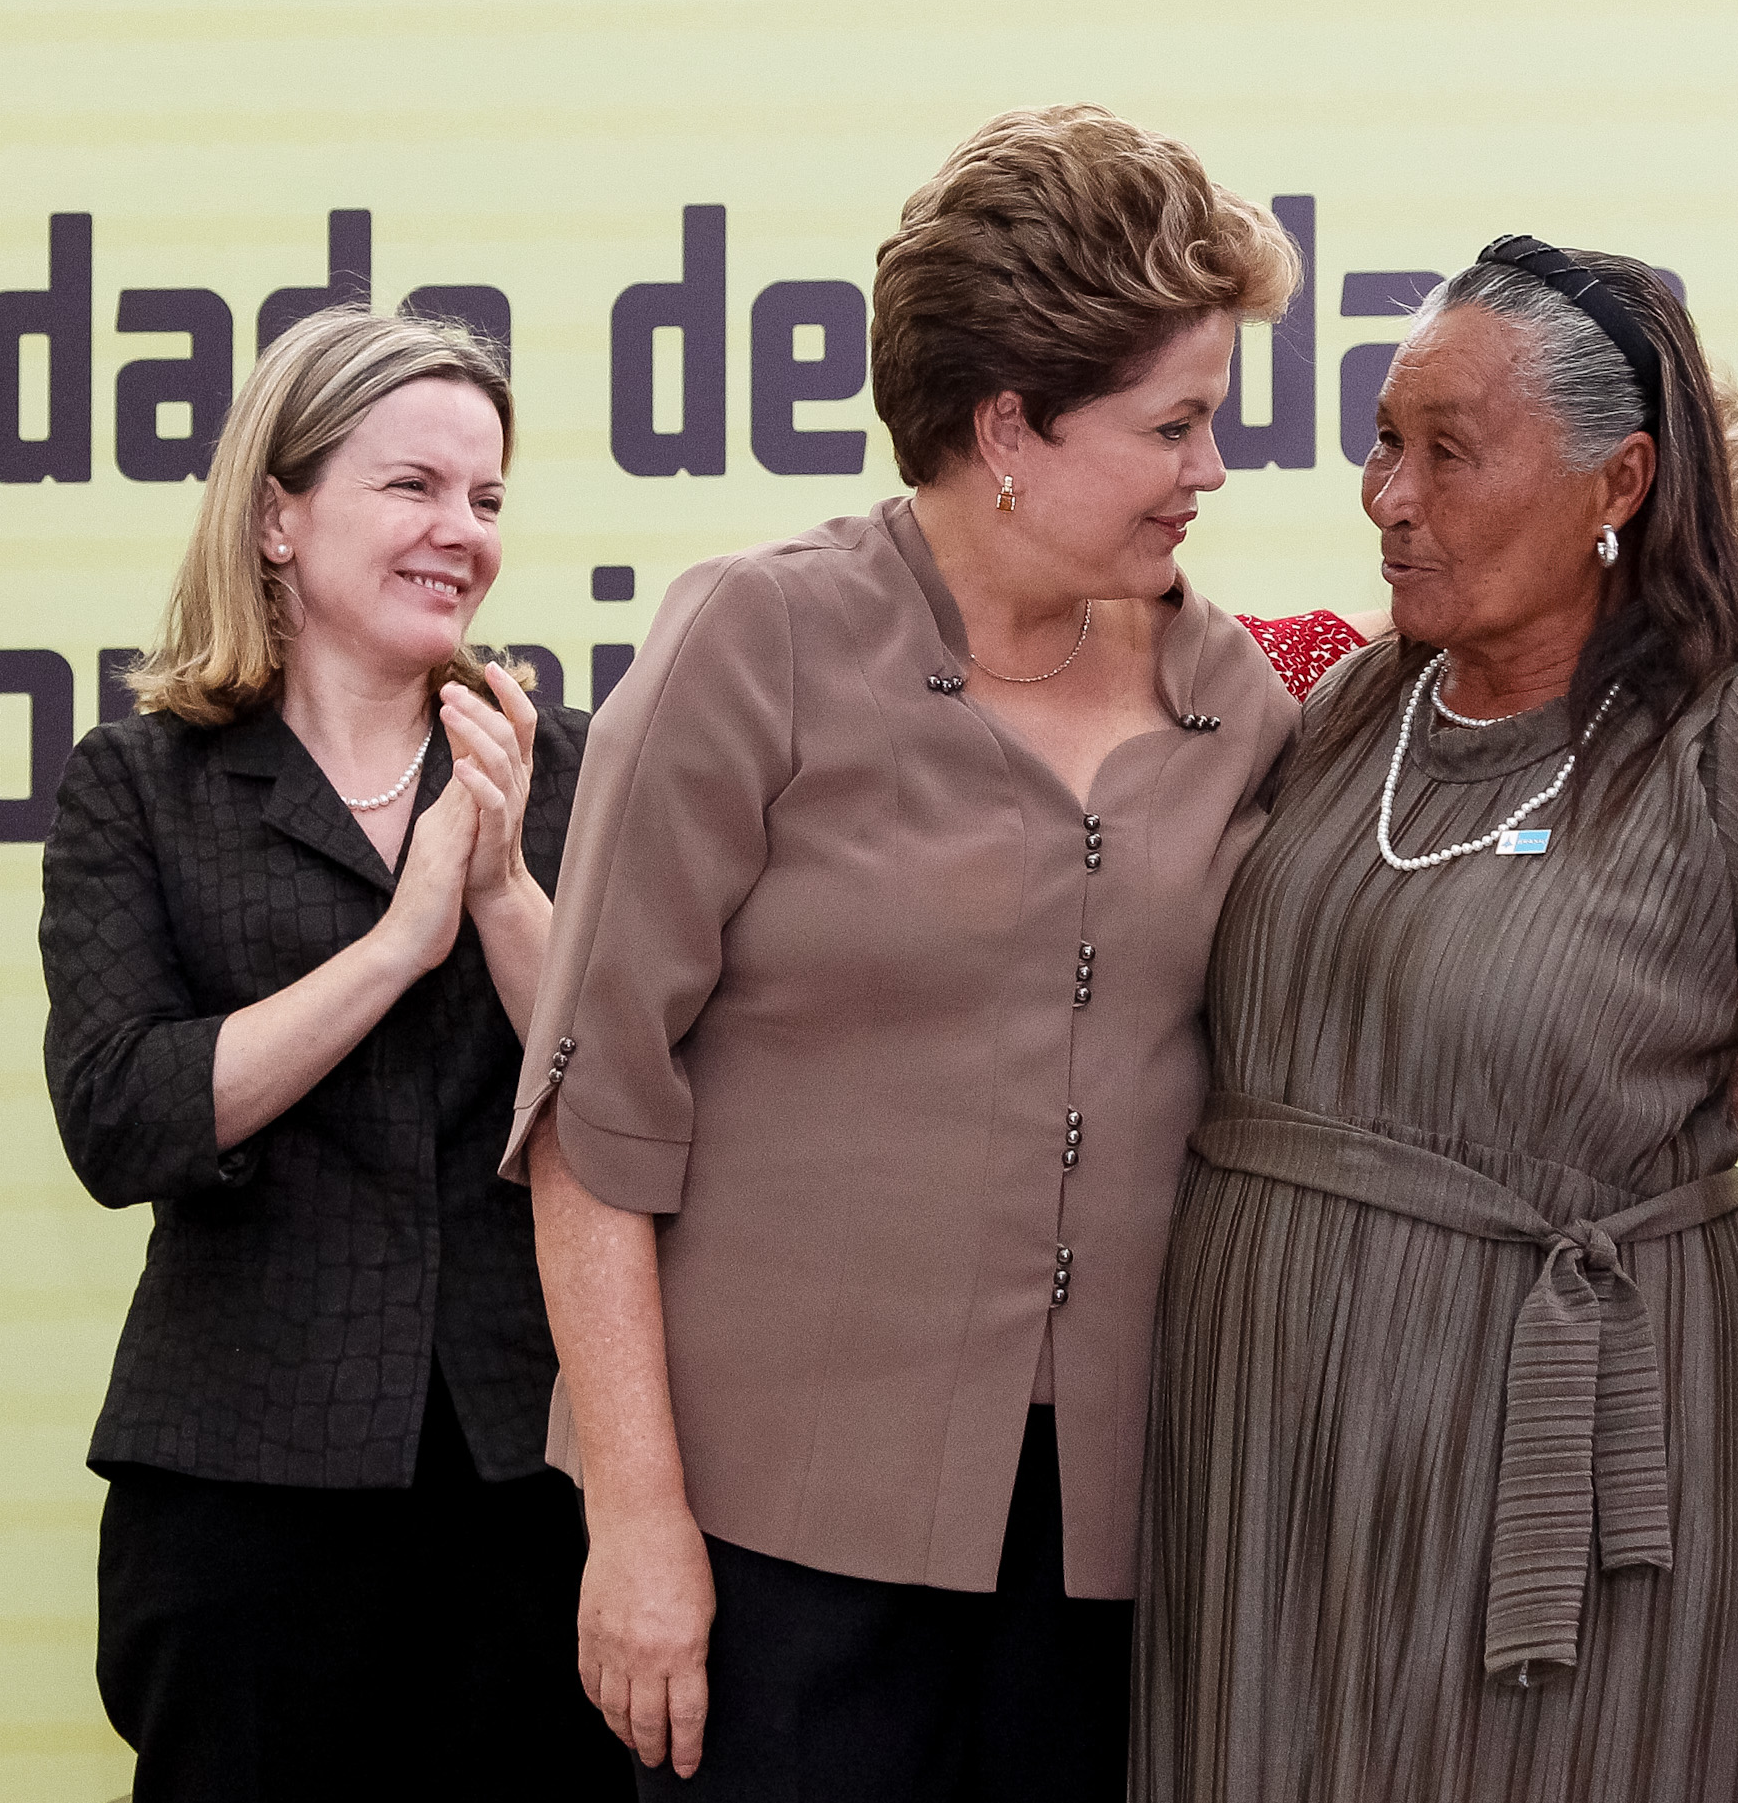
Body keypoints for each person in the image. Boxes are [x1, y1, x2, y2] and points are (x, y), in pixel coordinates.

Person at [509, 106, 1302, 1800]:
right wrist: (635, 1522)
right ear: (1009, 425)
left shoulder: (1235, 700)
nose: (1210, 471)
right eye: (1171, 425)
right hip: (773, 1545)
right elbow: (594, 1120)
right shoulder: (760, 644)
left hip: (1108, 1559)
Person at [1137, 239, 1738, 1803]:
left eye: (1450, 452)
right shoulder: (1343, 716)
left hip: (1573, 1508)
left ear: (1619, 481)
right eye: (1385, 439)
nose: (1389, 492)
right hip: (1269, 1493)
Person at [40, 307, 631, 1803]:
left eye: (488, 497)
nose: (462, 531)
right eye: (414, 486)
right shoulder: (141, 783)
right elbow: (122, 1114)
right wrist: (392, 944)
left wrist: (499, 895)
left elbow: (631, 1096)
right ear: (278, 516)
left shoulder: (558, 767)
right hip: (240, 1486)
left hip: (525, 1479)